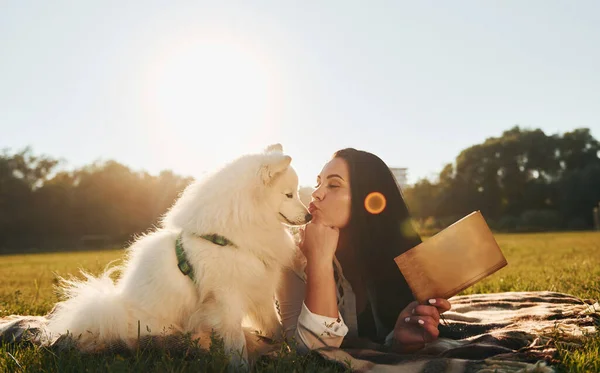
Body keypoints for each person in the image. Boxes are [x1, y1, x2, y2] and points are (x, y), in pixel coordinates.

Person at [275, 148, 451, 354]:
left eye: (333, 185)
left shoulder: (399, 258)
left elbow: (393, 335)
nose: (316, 193)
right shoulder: (293, 257)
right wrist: (319, 261)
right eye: (318, 183)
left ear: (368, 200)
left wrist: (397, 340)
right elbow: (308, 352)